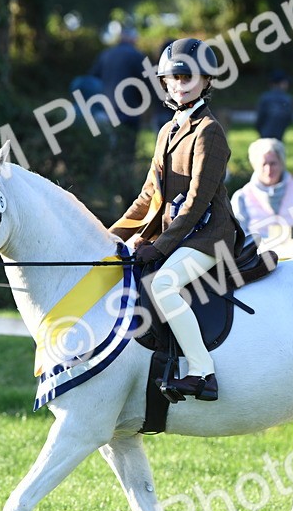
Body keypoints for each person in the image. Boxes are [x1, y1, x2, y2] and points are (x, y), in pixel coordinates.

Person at [109, 38, 237, 402]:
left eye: (187, 77)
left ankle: (202, 372)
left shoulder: (209, 131)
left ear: (206, 80)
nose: (179, 84)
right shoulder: (168, 130)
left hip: (207, 236)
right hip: (180, 235)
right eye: (172, 78)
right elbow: (148, 197)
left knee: (162, 286)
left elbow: (196, 203)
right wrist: (108, 238)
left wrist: (160, 247)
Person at [232, 138, 293, 244]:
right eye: (264, 164)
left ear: (282, 164)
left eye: (273, 163)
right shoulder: (242, 196)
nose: (269, 169)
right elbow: (237, 236)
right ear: (254, 165)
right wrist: (267, 240)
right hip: (258, 257)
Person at [88, 25, 148, 164]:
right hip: (129, 111)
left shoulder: (106, 54)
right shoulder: (137, 56)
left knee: (107, 150)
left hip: (105, 111)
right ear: (133, 38)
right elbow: (147, 84)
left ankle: (107, 178)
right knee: (127, 152)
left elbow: (91, 79)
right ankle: (123, 179)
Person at [254, 70, 293, 140]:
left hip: (264, 134)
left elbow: (260, 118)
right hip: (280, 135)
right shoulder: (288, 99)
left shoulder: (264, 97)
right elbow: (290, 117)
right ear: (281, 83)